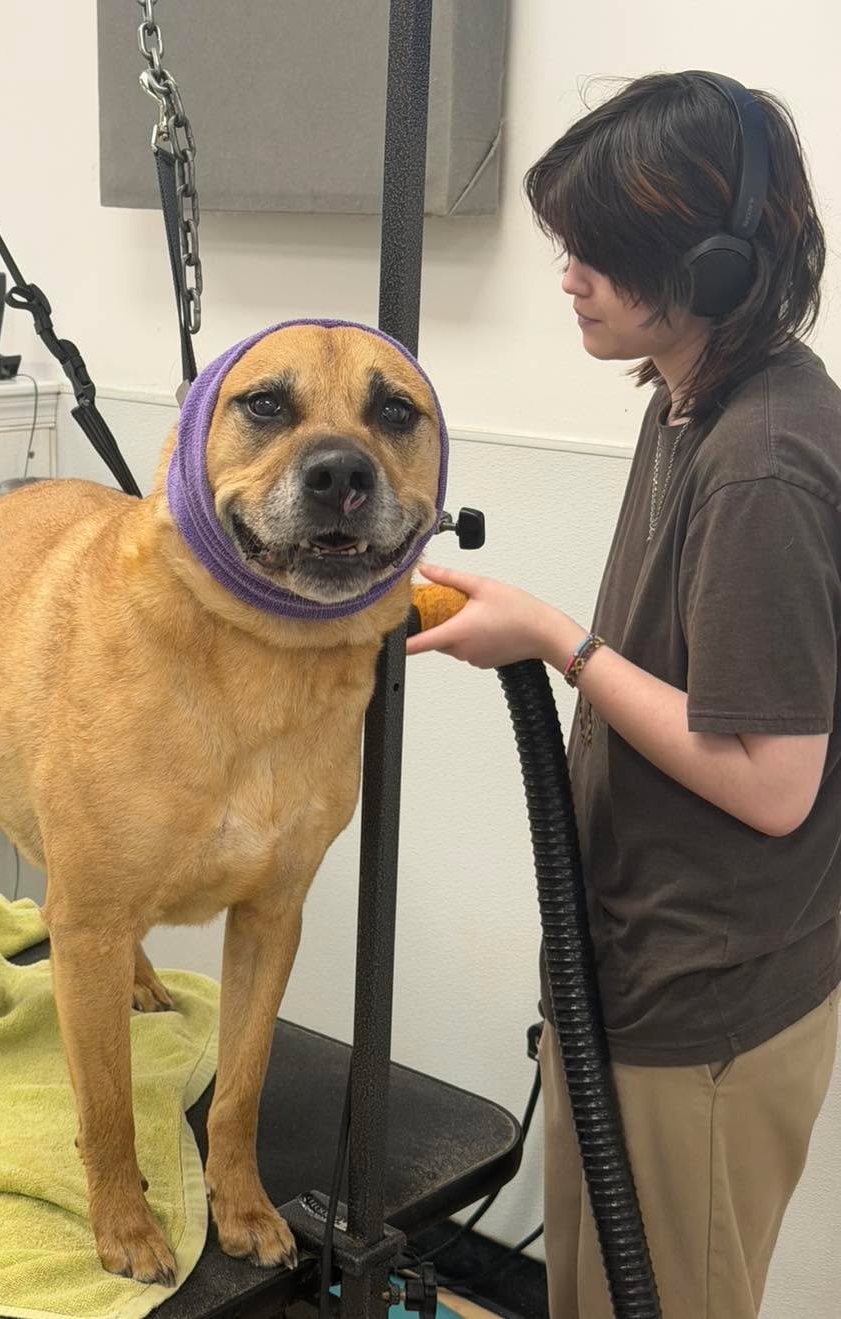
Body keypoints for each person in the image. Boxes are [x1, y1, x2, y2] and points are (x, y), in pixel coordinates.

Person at [407, 71, 840, 1319]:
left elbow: (774, 785)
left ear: (702, 266)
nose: (567, 277)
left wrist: (550, 635)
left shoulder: (764, 462)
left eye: (599, 251)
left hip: (702, 1009)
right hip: (633, 975)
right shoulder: (686, 399)